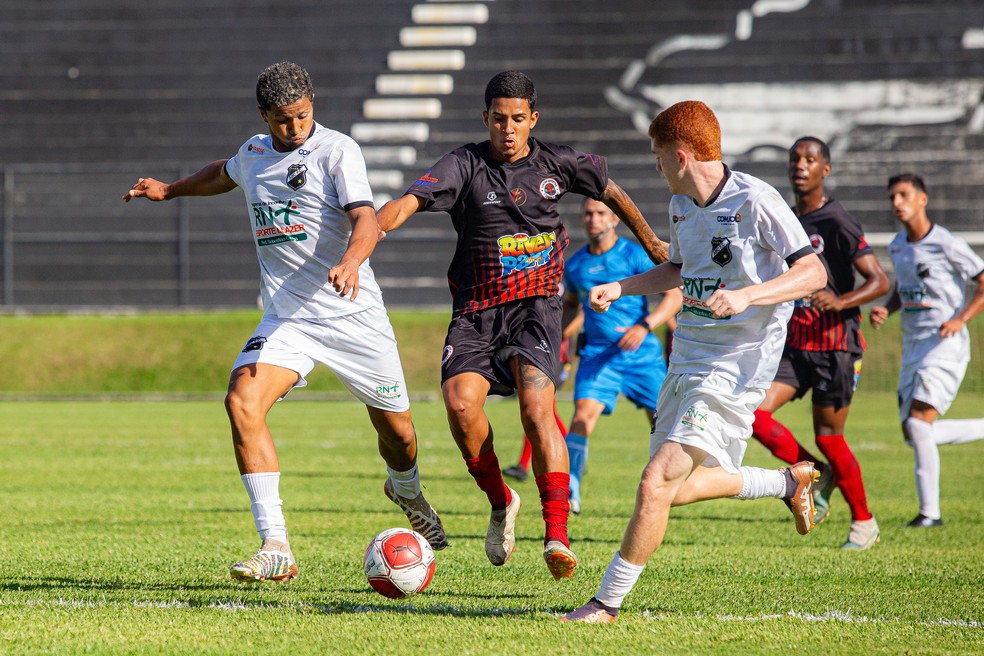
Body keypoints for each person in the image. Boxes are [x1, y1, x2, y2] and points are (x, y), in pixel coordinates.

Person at [123, 61, 446, 583]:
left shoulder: (338, 151)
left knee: (400, 434)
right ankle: (276, 545)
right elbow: (221, 173)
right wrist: (171, 190)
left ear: (312, 105)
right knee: (241, 400)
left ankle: (405, 489)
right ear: (263, 116)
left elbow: (365, 216)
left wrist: (352, 261)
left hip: (352, 313)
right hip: (289, 317)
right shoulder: (253, 154)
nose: (294, 129)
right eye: (281, 121)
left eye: (301, 117)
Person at [375, 71, 668, 581]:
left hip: (535, 310)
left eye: (516, 119)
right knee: (461, 407)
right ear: (485, 118)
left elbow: (610, 189)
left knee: (538, 409)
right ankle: (501, 500)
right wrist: (375, 227)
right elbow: (411, 201)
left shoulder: (557, 162)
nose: (506, 129)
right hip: (474, 313)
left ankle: (557, 532)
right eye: (497, 119)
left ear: (532, 118)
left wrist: (650, 242)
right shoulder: (464, 163)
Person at [562, 100, 828, 623]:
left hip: (735, 367)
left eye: (658, 157)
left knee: (655, 482)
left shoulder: (756, 199)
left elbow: (814, 273)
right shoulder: (682, 205)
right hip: (686, 359)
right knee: (673, 490)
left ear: (681, 156)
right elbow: (682, 270)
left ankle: (605, 602)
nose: (656, 167)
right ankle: (785, 482)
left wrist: (749, 296)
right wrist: (621, 286)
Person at [750, 137, 890, 550]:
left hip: (836, 346)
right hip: (797, 343)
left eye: (810, 159)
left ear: (824, 170)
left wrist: (841, 300)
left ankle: (864, 523)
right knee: (756, 415)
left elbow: (879, 280)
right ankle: (815, 472)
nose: (801, 165)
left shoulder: (837, 221)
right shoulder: (789, 219)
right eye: (795, 158)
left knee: (830, 435)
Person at [870, 173, 984, 528]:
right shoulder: (897, 245)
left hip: (944, 345)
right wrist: (888, 307)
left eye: (904, 195)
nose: (897, 202)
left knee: (920, 424)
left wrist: (959, 320)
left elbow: (982, 282)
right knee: (913, 432)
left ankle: (930, 514)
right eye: (893, 197)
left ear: (923, 199)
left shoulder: (946, 243)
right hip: (914, 345)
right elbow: (904, 288)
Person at [561, 198, 682, 515]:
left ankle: (665, 488)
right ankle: (570, 491)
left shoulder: (633, 253)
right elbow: (571, 304)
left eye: (600, 213)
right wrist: (558, 334)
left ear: (615, 220)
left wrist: (645, 326)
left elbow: (673, 295)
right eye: (587, 213)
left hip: (641, 354)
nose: (593, 219)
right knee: (581, 417)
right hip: (598, 356)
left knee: (661, 422)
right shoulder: (575, 265)